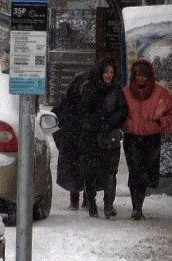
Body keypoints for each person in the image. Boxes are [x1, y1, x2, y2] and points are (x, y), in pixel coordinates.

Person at [62, 58, 129, 218]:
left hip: (110, 137)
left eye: (111, 72)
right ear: (100, 72)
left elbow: (123, 109)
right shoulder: (90, 88)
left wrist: (111, 122)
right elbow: (84, 111)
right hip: (91, 136)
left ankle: (108, 206)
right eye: (106, 72)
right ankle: (92, 204)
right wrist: (98, 122)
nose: (109, 75)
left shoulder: (116, 90)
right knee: (90, 172)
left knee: (110, 173)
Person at [122, 58, 172, 220]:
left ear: (149, 76)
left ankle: (139, 204)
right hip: (132, 138)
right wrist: (125, 123)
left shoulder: (160, 93)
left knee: (146, 173)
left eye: (143, 75)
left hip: (152, 138)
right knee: (135, 171)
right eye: (137, 75)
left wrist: (160, 121)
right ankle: (136, 207)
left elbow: (169, 114)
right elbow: (118, 112)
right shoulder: (126, 93)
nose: (140, 78)